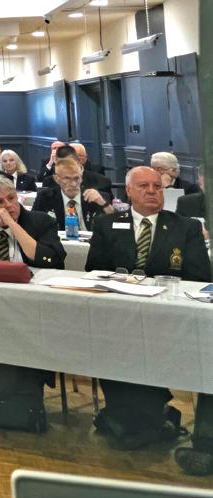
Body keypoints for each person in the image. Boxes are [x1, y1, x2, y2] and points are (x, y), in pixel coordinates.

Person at [86, 166, 211, 449]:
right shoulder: (107, 224)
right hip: (118, 317)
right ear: (129, 191)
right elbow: (94, 269)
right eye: (144, 186)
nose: (152, 191)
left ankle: (149, 415)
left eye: (157, 186)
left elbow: (200, 276)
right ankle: (125, 415)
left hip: (166, 318)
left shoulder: (185, 227)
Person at [31, 158, 112, 230]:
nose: (73, 184)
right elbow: (32, 224)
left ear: (81, 178)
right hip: (57, 241)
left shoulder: (94, 197)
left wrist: (104, 203)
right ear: (56, 179)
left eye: (76, 178)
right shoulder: (45, 197)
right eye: (67, 179)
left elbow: (115, 223)